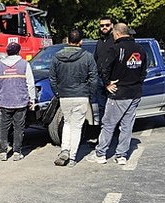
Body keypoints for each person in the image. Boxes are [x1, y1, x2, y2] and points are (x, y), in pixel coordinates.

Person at [87, 23, 147, 165]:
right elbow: (143, 72)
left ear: (118, 33)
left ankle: (101, 154)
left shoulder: (116, 49)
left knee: (108, 124)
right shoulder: (140, 49)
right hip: (135, 93)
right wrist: (137, 83)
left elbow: (102, 67)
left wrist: (107, 83)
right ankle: (121, 155)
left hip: (119, 93)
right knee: (127, 125)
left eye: (114, 33)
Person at [49, 29, 97, 167]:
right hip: (81, 95)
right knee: (77, 126)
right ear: (81, 41)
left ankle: (64, 150)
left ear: (67, 40)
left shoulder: (57, 57)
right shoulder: (88, 56)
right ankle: (73, 157)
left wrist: (58, 93)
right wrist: (90, 94)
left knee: (67, 123)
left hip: (64, 96)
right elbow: (93, 78)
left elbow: (52, 78)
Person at [0, 42, 36, 161]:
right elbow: (30, 84)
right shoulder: (24, 64)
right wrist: (32, 99)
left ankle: (3, 152)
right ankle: (17, 152)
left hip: (5, 101)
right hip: (20, 101)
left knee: (4, 127)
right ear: (18, 51)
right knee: (19, 127)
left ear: (7, 52)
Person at [94, 16, 115, 121]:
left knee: (113, 110)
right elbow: (95, 60)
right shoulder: (99, 42)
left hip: (112, 81)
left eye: (107, 25)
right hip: (100, 80)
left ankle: (113, 135)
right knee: (102, 108)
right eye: (102, 25)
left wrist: (110, 82)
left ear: (112, 25)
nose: (104, 27)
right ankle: (103, 134)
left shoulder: (115, 41)